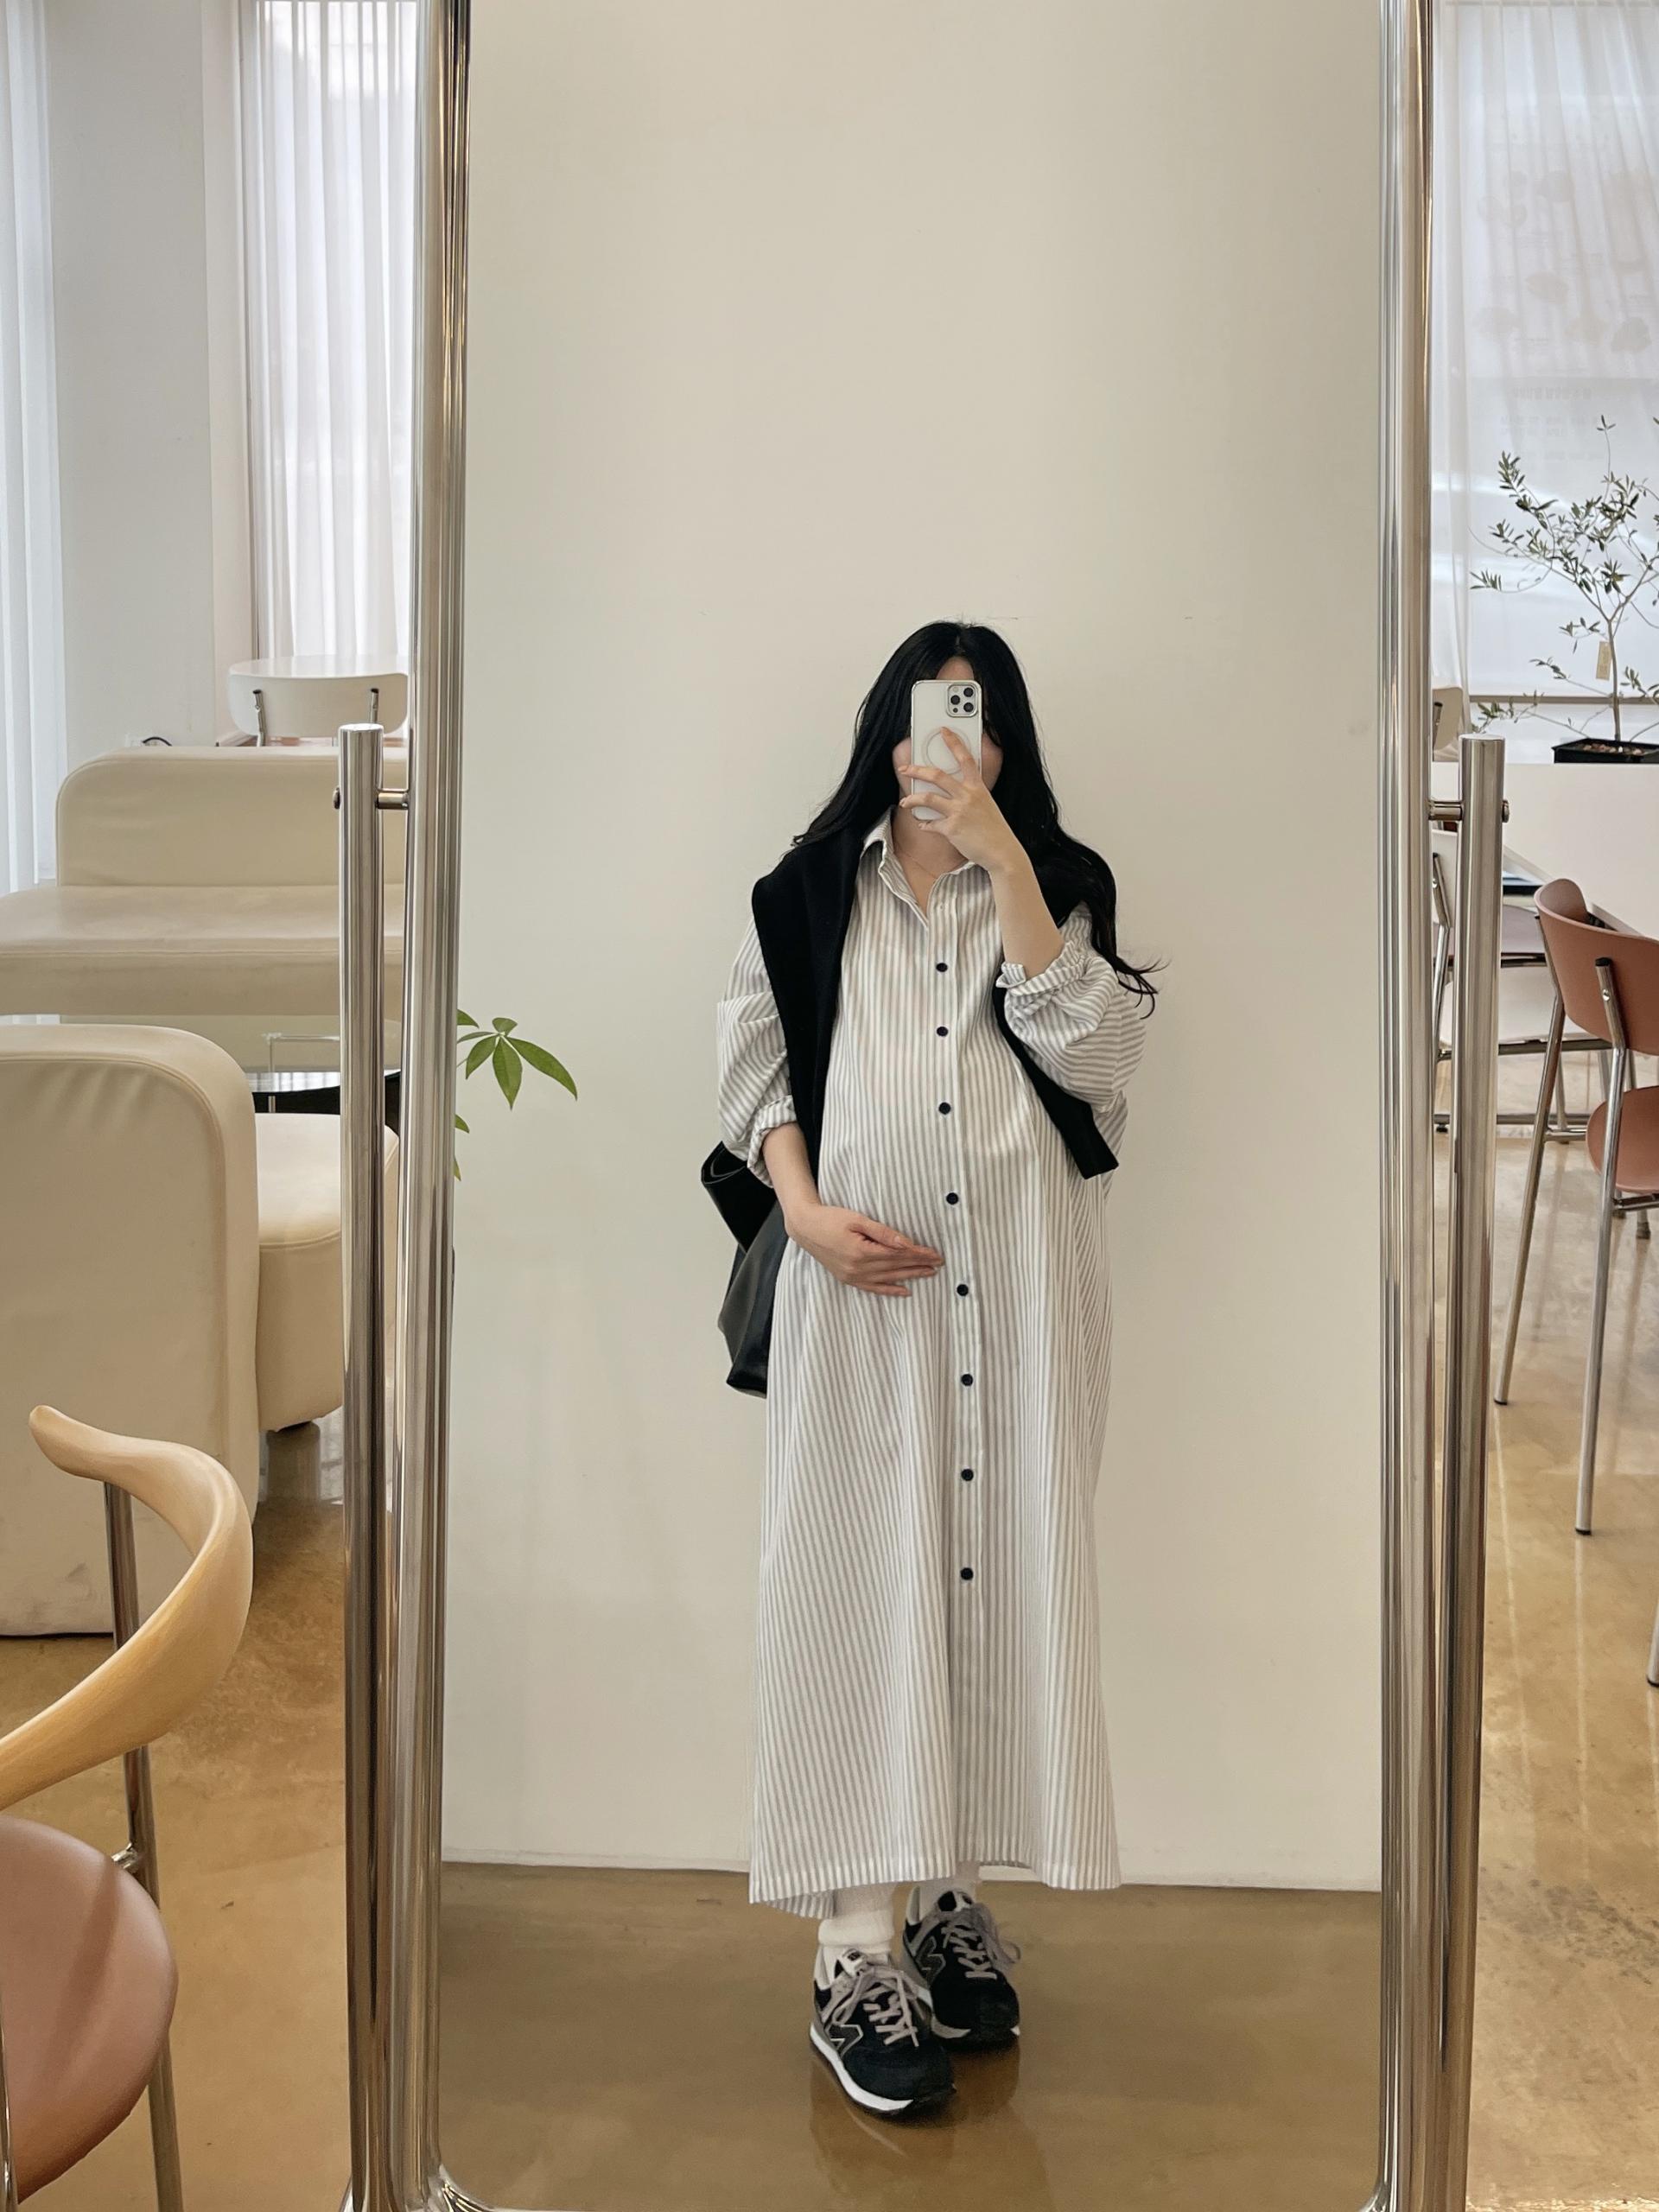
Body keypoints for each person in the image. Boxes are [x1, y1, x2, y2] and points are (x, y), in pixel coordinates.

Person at [715, 620, 1155, 2119]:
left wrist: (1005, 858)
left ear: (1005, 743)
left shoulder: (1059, 885)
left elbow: (1097, 1061)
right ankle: (851, 1952)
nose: (949, 744)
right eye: (928, 716)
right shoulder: (803, 891)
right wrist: (803, 1210)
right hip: (861, 1311)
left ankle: (948, 1897)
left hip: (1019, 1303)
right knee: (855, 1595)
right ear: (886, 733)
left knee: (990, 1582)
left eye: (979, 719)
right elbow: (755, 1073)